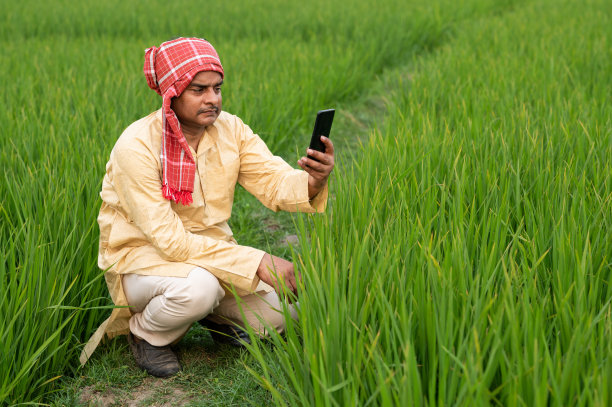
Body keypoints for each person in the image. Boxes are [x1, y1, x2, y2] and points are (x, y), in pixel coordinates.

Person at [79, 37, 334, 377]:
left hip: (215, 255)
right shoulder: (136, 147)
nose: (213, 99)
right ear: (173, 92)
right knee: (199, 288)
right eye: (199, 90)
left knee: (288, 315)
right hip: (146, 260)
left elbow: (273, 181)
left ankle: (219, 320)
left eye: (217, 88)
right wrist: (255, 260)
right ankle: (147, 333)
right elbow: (170, 241)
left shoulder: (231, 130)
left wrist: (313, 182)